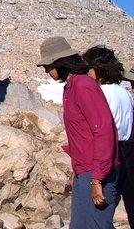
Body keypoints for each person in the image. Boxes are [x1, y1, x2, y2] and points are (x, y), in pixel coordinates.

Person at [38, 37, 119, 228]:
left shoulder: (83, 86)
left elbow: (103, 130)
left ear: (60, 63)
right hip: (84, 170)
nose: (46, 70)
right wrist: (76, 170)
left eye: (48, 65)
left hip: (97, 172)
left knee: (97, 225)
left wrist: (97, 179)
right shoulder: (71, 87)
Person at [82, 46, 134, 227]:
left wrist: (95, 178)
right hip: (128, 153)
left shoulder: (100, 94)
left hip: (107, 154)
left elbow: (101, 132)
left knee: (100, 213)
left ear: (97, 69)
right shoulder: (126, 94)